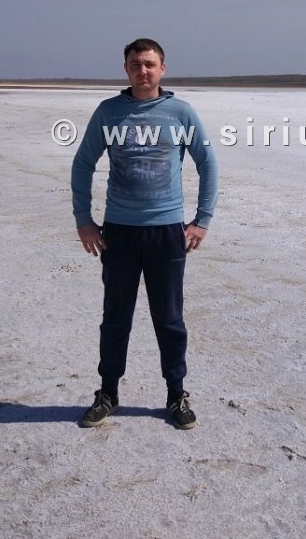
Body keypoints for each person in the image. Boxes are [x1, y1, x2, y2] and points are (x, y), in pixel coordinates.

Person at [71, 38, 219, 429]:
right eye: (136, 64)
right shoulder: (109, 112)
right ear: (126, 69)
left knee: (169, 319)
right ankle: (107, 392)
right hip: (119, 232)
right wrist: (84, 219)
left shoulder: (180, 112)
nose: (143, 70)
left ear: (162, 68)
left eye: (150, 64)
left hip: (166, 232)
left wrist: (202, 220)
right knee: (115, 318)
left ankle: (176, 393)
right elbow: (83, 163)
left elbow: (208, 162)